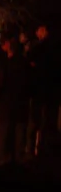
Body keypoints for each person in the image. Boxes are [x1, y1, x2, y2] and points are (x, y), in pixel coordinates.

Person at [0, 34, 30, 166]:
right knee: (19, 131)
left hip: (7, 104)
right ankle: (18, 157)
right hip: (20, 103)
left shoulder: (5, 65)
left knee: (4, 131)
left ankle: (2, 157)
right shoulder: (24, 64)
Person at [27, 24, 59, 155]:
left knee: (37, 119)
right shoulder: (55, 49)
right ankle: (47, 146)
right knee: (49, 119)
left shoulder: (38, 48)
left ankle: (35, 147)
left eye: (38, 30)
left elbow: (30, 62)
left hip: (40, 89)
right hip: (52, 90)